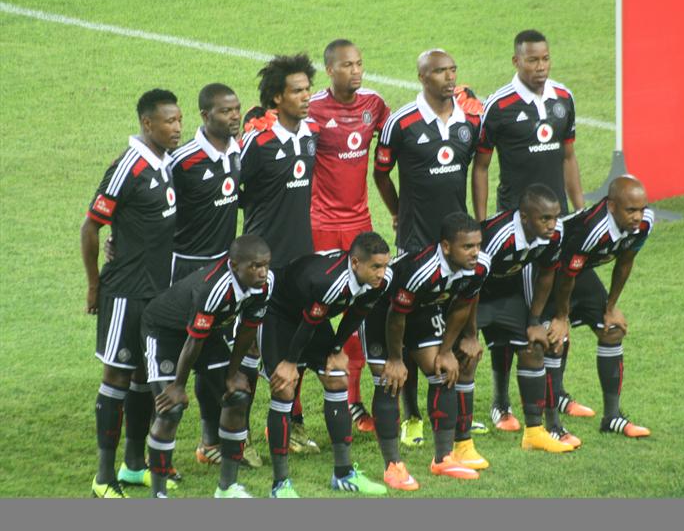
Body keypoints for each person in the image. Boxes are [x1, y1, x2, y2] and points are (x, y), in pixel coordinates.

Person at [471, 29, 593, 433]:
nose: (540, 67)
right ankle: (501, 402)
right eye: (532, 60)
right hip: (517, 229)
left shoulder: (563, 98)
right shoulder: (499, 106)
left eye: (545, 59)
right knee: (520, 319)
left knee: (559, 309)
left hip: (556, 224)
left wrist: (578, 211)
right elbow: (482, 166)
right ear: (516, 61)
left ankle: (556, 393)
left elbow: (569, 157)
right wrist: (483, 221)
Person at [373, 49, 482, 448]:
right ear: (422, 77)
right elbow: (381, 174)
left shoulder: (470, 119)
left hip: (458, 242)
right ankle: (412, 417)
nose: (449, 77)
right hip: (416, 243)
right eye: (439, 71)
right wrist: (398, 212)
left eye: (452, 70)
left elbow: (477, 168)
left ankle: (456, 411)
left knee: (457, 315)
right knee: (410, 327)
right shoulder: (400, 123)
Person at [81, 89, 181, 498]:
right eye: (169, 121)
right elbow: (91, 226)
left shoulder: (164, 160)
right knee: (117, 377)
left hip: (158, 293)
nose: (177, 128)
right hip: (125, 291)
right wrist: (94, 285)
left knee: (143, 376)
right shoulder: (128, 167)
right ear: (147, 123)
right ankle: (103, 478)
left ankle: (134, 465)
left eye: (179, 120)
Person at [168, 83, 261, 468]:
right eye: (225, 111)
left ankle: (213, 441)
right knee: (182, 357)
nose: (234, 116)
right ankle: (160, 451)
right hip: (187, 270)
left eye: (236, 109)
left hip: (224, 270)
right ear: (205, 116)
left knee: (214, 358)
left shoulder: (237, 151)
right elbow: (152, 206)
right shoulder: (182, 160)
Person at [363, 213, 492, 491]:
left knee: (443, 371)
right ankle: (393, 466)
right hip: (383, 312)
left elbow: (463, 306)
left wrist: (446, 351)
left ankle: (443, 458)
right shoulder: (421, 270)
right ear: (446, 247)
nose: (475, 252)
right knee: (388, 381)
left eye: (478, 245)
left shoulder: (481, 265)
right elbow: (396, 316)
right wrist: (396, 359)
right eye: (467, 247)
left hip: (423, 310)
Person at [260, 232, 392, 497]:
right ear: (355, 263)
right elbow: (307, 324)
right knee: (284, 388)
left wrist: (335, 349)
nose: (382, 273)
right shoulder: (330, 283)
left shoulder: (380, 282)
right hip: (280, 313)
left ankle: (343, 474)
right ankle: (280, 484)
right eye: (376, 266)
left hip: (311, 315)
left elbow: (357, 314)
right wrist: (290, 363)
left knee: (337, 377)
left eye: (385, 265)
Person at [142, 235, 273, 498]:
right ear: (234, 266)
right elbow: (193, 341)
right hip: (164, 333)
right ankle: (159, 495)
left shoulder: (265, 284)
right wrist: (178, 386)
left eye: (266, 265)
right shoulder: (213, 289)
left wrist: (233, 373)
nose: (262, 272)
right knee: (170, 408)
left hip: (205, 334)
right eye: (255, 266)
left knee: (237, 397)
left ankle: (227, 488)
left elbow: (248, 330)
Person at [308, 39, 392, 433]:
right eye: (346, 65)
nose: (355, 71)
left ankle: (353, 400)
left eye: (359, 64)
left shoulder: (374, 105)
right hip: (321, 225)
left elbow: (400, 132)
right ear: (329, 70)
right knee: (317, 310)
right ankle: (295, 408)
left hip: (360, 225)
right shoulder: (313, 109)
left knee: (361, 311)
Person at [240, 53, 321, 454]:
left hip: (301, 260)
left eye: (308, 89)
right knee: (250, 352)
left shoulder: (310, 135)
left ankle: (290, 424)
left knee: (295, 349)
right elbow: (229, 190)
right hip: (262, 266)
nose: (306, 97)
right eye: (297, 91)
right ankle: (236, 435)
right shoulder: (257, 143)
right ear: (276, 98)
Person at [545, 175, 654, 440]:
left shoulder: (644, 223)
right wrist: (562, 316)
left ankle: (612, 417)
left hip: (578, 271)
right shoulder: (593, 229)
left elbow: (625, 261)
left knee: (612, 330)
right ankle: (552, 423)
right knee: (555, 338)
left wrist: (611, 306)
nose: (638, 216)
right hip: (549, 271)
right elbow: (565, 276)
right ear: (612, 206)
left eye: (641, 209)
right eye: (631, 210)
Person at [476, 184, 574, 453]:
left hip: (508, 294)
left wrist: (534, 321)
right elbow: (469, 282)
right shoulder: (498, 237)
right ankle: (459, 439)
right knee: (463, 357)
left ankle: (534, 432)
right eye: (545, 218)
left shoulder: (555, 233)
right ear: (524, 217)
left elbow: (547, 273)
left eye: (555, 217)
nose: (552, 224)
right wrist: (468, 334)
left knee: (534, 346)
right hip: (474, 297)